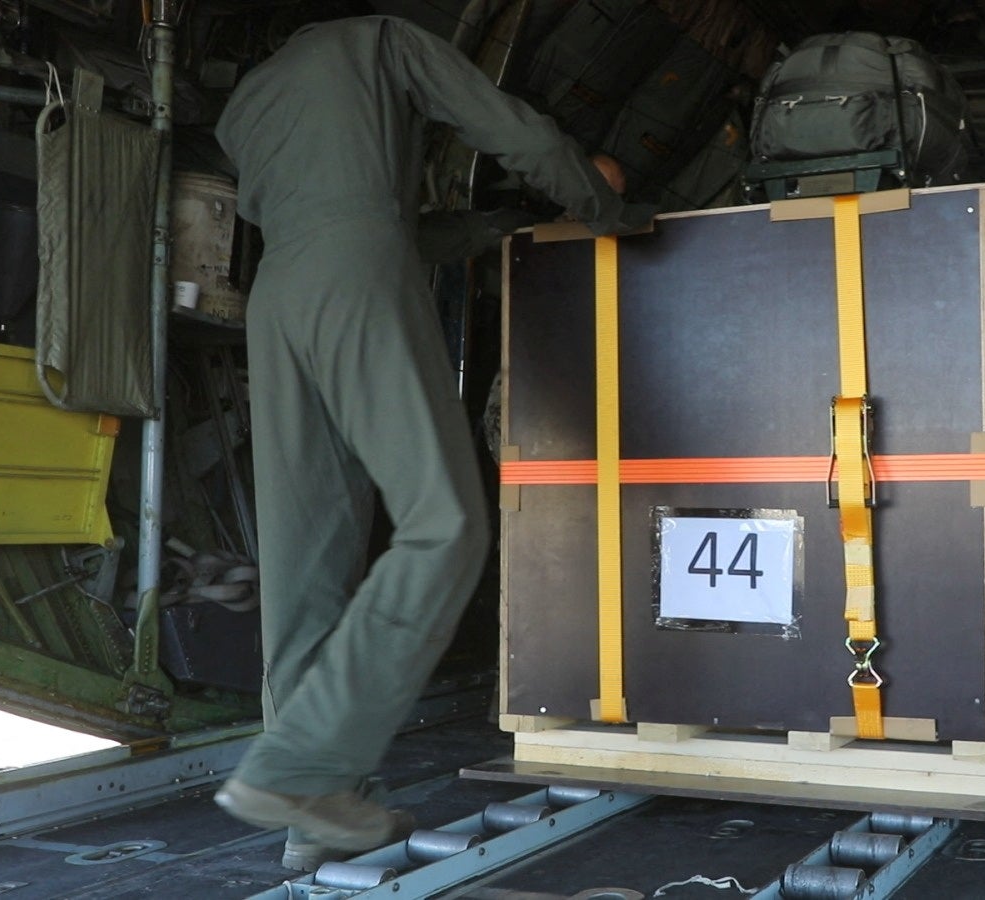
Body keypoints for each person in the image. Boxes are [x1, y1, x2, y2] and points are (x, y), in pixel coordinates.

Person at [210, 14, 646, 868]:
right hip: (354, 276)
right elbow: (507, 127)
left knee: (306, 568)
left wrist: (493, 231)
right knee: (446, 522)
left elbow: (361, 219)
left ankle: (313, 817)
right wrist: (603, 208)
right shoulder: (381, 40)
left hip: (278, 298)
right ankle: (300, 769)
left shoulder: (252, 100)